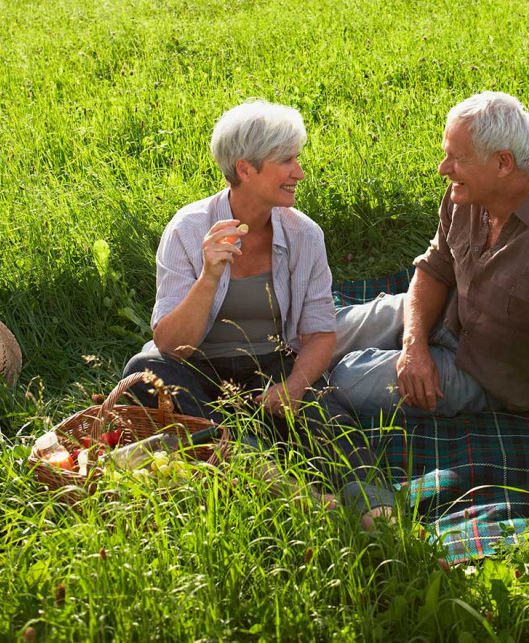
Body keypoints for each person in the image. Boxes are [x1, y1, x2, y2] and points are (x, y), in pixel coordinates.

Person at [327, 91, 529, 524]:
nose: (443, 168)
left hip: (491, 372)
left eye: (456, 157)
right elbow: (435, 269)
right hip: (448, 317)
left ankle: (287, 398)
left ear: (503, 163)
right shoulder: (465, 195)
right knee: (322, 331)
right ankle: (245, 378)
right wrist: (414, 345)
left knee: (345, 378)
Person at [123, 99, 394, 523]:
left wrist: (294, 386)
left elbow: (321, 334)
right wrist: (210, 274)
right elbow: (171, 345)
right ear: (245, 169)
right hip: (198, 370)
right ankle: (279, 483)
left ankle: (377, 513)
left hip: (272, 366)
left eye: (297, 159)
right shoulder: (188, 229)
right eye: (286, 161)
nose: (299, 172)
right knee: (145, 370)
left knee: (328, 407)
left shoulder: (304, 234)